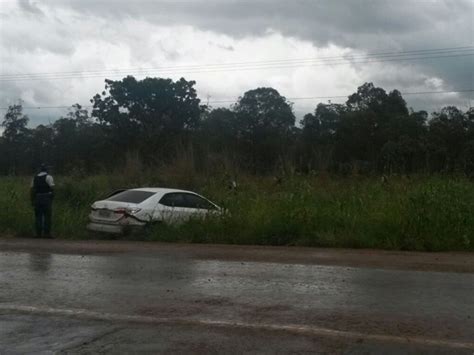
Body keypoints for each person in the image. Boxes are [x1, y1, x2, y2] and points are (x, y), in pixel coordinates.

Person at [30, 164, 55, 238]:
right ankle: (47, 234)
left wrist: (32, 200)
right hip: (46, 197)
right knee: (47, 216)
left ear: (40, 170)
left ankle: (38, 233)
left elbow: (32, 190)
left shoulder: (35, 178)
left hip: (37, 197)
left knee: (38, 216)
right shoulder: (49, 177)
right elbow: (52, 187)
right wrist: (52, 197)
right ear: (47, 170)